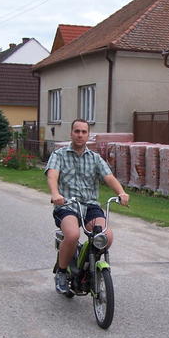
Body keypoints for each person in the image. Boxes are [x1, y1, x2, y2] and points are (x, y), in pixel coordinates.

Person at [46, 119, 129, 293]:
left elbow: (109, 177)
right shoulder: (59, 155)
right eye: (77, 131)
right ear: (71, 133)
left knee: (106, 236)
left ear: (88, 135)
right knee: (72, 234)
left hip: (90, 205)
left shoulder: (95, 158)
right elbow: (52, 175)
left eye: (84, 132)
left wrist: (121, 193)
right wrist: (55, 194)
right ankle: (61, 273)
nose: (80, 135)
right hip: (67, 205)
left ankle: (86, 266)